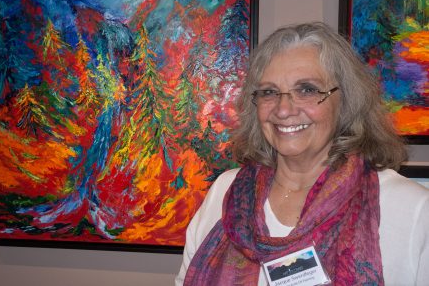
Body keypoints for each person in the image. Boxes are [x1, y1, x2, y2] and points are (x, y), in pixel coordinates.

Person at [175, 22, 429, 285]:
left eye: (307, 90)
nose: (284, 110)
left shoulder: (413, 209)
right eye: (270, 92)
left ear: (346, 101)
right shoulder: (224, 191)